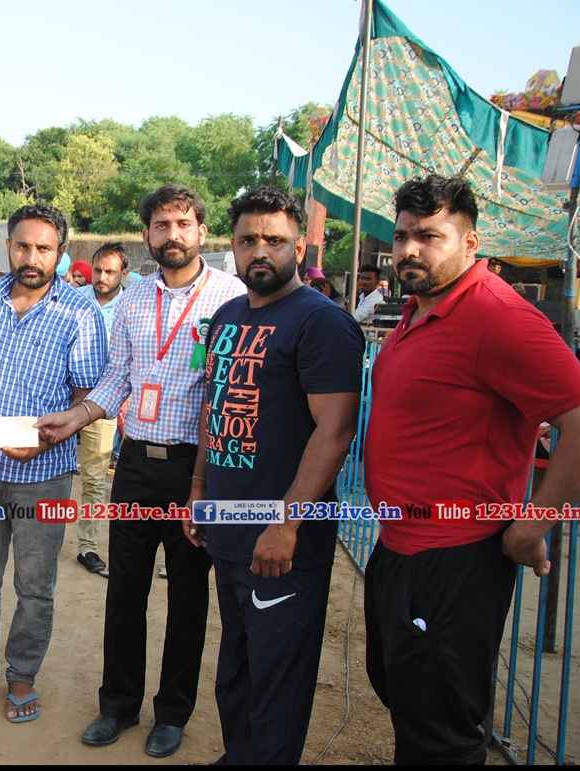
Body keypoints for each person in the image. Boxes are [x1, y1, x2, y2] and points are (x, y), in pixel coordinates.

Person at [363, 175, 580, 764]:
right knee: (408, 697)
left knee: (439, 731)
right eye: (402, 236)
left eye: (429, 236)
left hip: (455, 558)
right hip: (400, 547)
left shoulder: (497, 315)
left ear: (470, 242)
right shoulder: (420, 309)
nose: (409, 249)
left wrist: (534, 524)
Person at [35, 184, 247, 758]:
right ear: (147, 235)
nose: (171, 235)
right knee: (125, 592)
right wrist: (76, 416)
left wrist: (207, 481)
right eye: (160, 225)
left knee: (187, 599)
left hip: (194, 471)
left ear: (202, 231)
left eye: (182, 224)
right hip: (134, 466)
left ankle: (173, 713)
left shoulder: (232, 298)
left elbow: (229, 393)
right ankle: (118, 705)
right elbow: (117, 380)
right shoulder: (133, 300)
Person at [185, 186, 364, 765]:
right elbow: (214, 408)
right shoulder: (227, 317)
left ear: (299, 248)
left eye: (275, 240)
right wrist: (200, 491)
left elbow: (335, 430)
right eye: (247, 240)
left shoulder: (322, 323)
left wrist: (286, 525)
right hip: (228, 528)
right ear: (232, 246)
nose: (259, 251)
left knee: (277, 680)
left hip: (283, 541)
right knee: (237, 669)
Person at [0, 203, 108, 724]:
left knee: (35, 585)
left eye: (44, 248)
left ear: (60, 253)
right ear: (7, 247)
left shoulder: (80, 313)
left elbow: (85, 396)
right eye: (23, 246)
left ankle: (23, 674)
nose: (32, 257)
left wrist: (47, 441)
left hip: (45, 476)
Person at [70, 242, 130, 578]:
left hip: (102, 404)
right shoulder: (72, 300)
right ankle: (38, 533)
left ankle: (87, 546)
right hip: (62, 401)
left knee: (93, 478)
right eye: (97, 270)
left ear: (123, 273)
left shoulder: (131, 306)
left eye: (110, 271)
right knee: (49, 473)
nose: (102, 277)